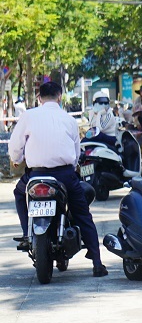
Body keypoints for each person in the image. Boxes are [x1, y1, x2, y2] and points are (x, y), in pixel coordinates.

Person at [9, 81, 108, 276]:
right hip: (64, 176)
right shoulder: (69, 119)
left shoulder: (28, 116)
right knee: (83, 215)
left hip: (35, 174)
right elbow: (75, 152)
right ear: (60, 96)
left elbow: (15, 145)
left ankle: (26, 233)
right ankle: (97, 263)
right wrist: (71, 168)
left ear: (39, 98)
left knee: (19, 194)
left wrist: (16, 159)